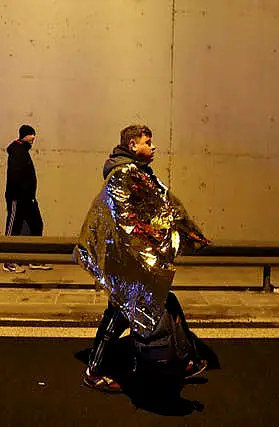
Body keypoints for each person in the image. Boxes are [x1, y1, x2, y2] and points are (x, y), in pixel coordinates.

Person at [73, 124, 210, 392]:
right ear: (133, 145)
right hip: (128, 259)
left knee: (160, 304)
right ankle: (94, 371)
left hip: (131, 257)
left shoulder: (135, 173)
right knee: (120, 313)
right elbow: (129, 221)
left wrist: (185, 231)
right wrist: (167, 239)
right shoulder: (125, 175)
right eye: (148, 141)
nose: (154, 146)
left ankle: (184, 360)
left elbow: (158, 209)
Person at [3, 124, 51, 272]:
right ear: (25, 135)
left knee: (37, 225)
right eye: (31, 136)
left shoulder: (23, 151)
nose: (34, 139)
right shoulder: (17, 151)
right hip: (17, 198)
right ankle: (8, 262)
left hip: (28, 199)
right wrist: (21, 195)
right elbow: (15, 176)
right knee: (13, 228)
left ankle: (34, 259)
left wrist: (30, 196)